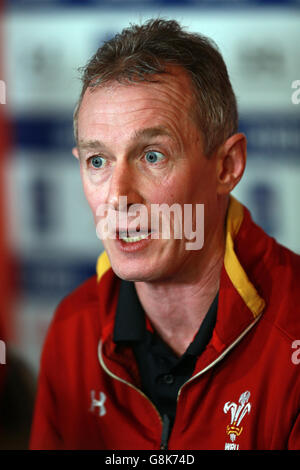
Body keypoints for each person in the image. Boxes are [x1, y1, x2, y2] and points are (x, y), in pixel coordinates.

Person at [29, 18, 300, 450]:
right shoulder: (72, 329)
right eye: (98, 162)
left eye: (152, 155)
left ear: (227, 166)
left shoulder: (292, 332)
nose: (118, 197)